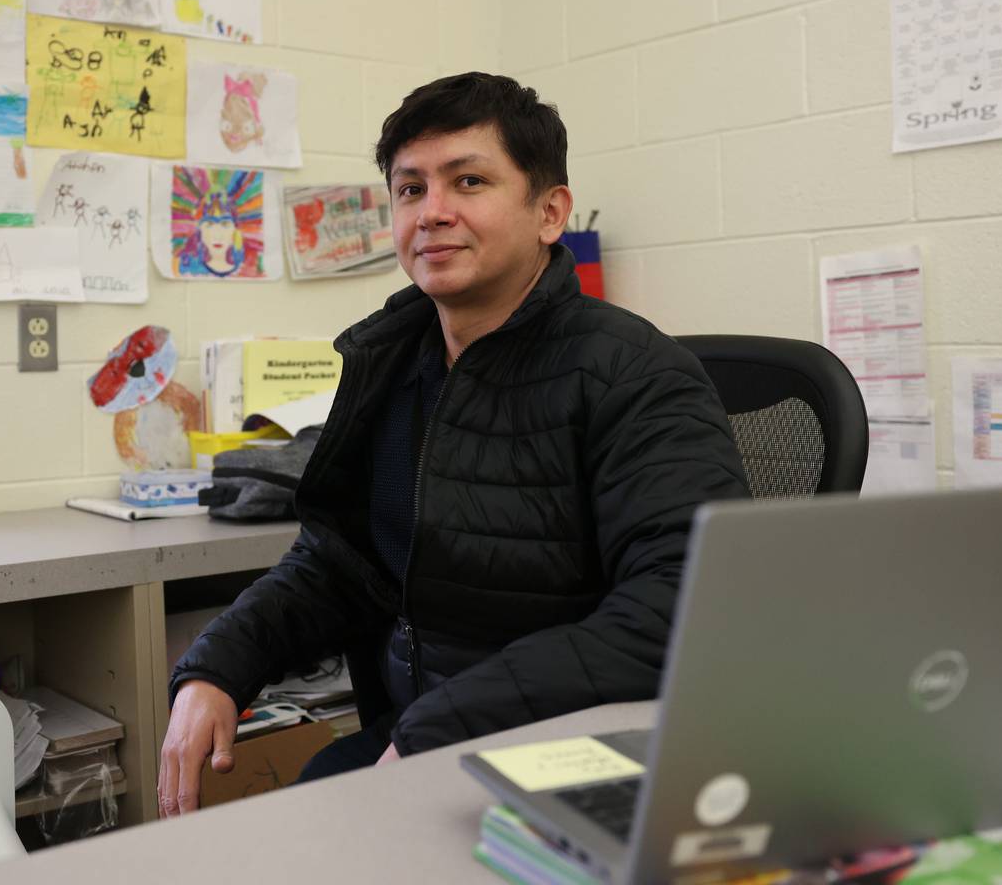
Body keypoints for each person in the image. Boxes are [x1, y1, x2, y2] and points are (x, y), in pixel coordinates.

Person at [159, 72, 750, 817]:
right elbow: (339, 564)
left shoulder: (638, 377)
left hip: (574, 756)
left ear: (550, 212)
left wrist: (441, 728)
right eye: (410, 190)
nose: (432, 212)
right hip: (417, 736)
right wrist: (216, 667)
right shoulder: (394, 362)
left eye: (467, 181)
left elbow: (681, 609)